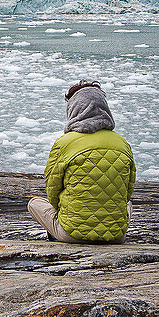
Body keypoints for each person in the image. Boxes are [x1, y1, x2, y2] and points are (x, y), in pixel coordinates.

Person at [28, 81, 135, 244]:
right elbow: (127, 191)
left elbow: (52, 193)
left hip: (72, 234)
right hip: (116, 236)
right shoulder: (122, 143)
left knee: (34, 203)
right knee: (127, 204)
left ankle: (57, 236)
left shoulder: (64, 143)